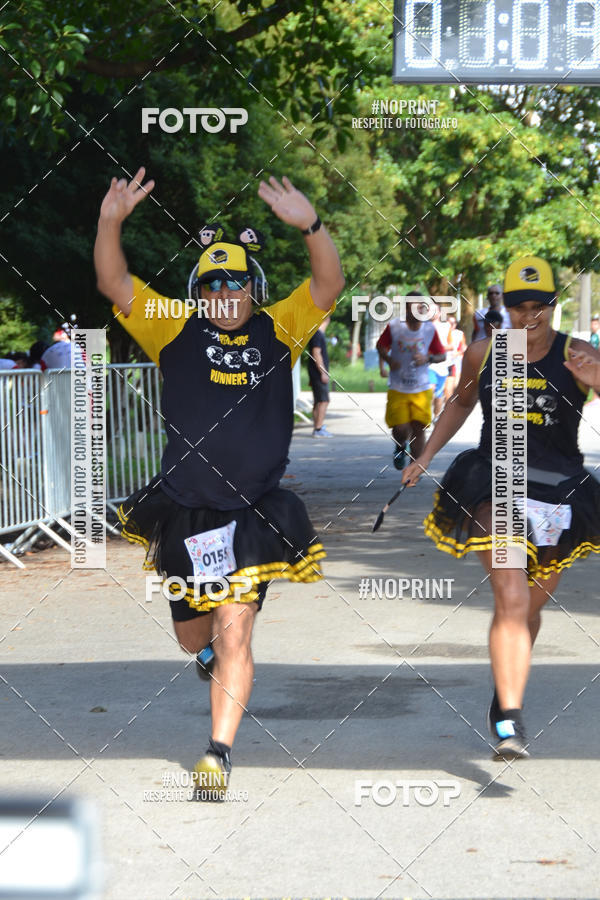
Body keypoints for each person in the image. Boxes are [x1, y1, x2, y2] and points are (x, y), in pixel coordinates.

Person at [94, 167, 344, 797]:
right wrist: (110, 221)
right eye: (213, 282)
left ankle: (218, 752)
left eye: (236, 281)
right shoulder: (171, 325)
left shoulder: (279, 327)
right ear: (199, 290)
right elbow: (113, 282)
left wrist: (310, 225)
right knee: (192, 637)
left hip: (252, 513)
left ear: (252, 287)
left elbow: (329, 284)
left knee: (237, 628)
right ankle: (206, 658)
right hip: (184, 510)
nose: (226, 291)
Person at [403, 256, 600, 760]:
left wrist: (597, 378)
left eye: (540, 307)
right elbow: (463, 403)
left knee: (530, 604)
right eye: (519, 307)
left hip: (559, 491)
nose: (530, 318)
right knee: (511, 593)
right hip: (497, 480)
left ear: (554, 306)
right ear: (503, 307)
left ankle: (504, 686)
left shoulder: (577, 353)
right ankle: (509, 721)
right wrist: (425, 456)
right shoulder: (487, 352)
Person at [376, 294, 446, 470]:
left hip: (421, 387)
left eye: (419, 307)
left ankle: (415, 468)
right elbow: (380, 346)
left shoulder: (429, 329)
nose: (416, 310)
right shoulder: (394, 327)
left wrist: (428, 358)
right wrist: (389, 361)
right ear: (405, 308)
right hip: (398, 387)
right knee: (400, 428)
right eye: (411, 307)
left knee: (419, 428)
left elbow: (442, 355)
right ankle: (400, 446)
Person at [307, 315, 332, 437]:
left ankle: (317, 427)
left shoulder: (314, 333)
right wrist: (323, 372)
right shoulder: (317, 334)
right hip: (318, 373)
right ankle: (318, 428)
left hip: (314, 373)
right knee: (323, 400)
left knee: (318, 401)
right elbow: (316, 353)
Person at [428, 304, 452, 418]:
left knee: (438, 396)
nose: (431, 312)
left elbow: (451, 346)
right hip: (428, 365)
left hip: (442, 365)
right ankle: (424, 416)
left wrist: (438, 347)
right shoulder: (422, 328)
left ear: (439, 313)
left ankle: (436, 418)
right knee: (430, 389)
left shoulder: (446, 327)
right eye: (428, 310)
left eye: (434, 310)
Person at [444, 314, 466, 401]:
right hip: (444, 361)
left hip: (456, 361)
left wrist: (457, 354)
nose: (452, 325)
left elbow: (464, 347)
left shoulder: (459, 333)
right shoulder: (442, 332)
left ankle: (451, 402)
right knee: (446, 387)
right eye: (450, 322)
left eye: (454, 323)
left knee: (455, 384)